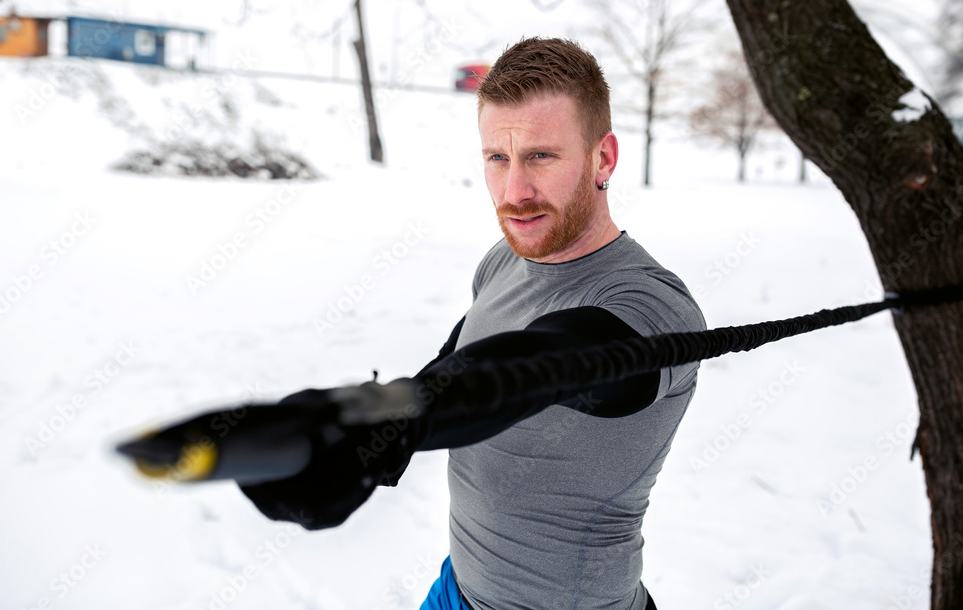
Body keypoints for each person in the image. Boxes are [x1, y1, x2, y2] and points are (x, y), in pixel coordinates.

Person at [239, 37, 705, 610]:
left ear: (602, 158)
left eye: (541, 156)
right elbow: (464, 357)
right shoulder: (505, 258)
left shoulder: (651, 307)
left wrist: (398, 415)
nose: (514, 192)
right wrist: (378, 433)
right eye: (497, 158)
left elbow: (549, 362)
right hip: (456, 588)